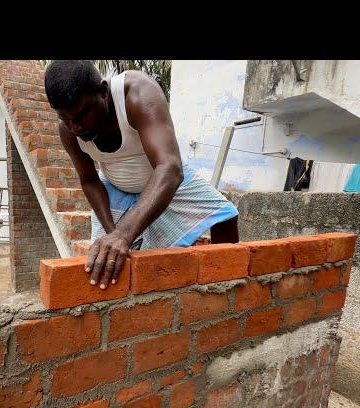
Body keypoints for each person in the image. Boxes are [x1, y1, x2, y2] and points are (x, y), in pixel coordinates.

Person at [44, 60, 239, 290]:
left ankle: (225, 289)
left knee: (225, 217)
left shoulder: (138, 94)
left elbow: (170, 167)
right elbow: (89, 180)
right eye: (65, 119)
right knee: (107, 264)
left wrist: (124, 234)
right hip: (115, 189)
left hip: (165, 180)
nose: (75, 127)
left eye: (82, 115)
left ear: (104, 92)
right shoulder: (67, 131)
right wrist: (113, 233)